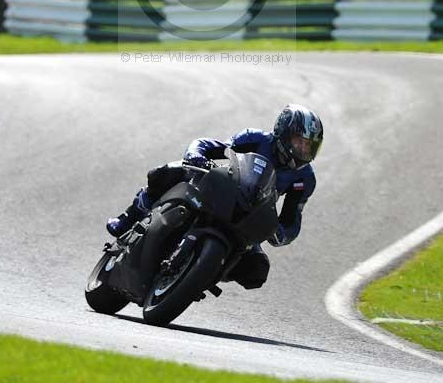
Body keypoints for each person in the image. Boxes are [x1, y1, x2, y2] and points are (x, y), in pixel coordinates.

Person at [106, 104, 324, 291]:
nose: (303, 149)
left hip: (250, 216)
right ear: (284, 133)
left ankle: (202, 273)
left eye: (309, 146)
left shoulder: (305, 179)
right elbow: (213, 146)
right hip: (222, 191)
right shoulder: (256, 139)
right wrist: (197, 155)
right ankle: (128, 217)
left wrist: (280, 233)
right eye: (299, 141)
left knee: (257, 271)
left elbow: (292, 219)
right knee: (162, 173)